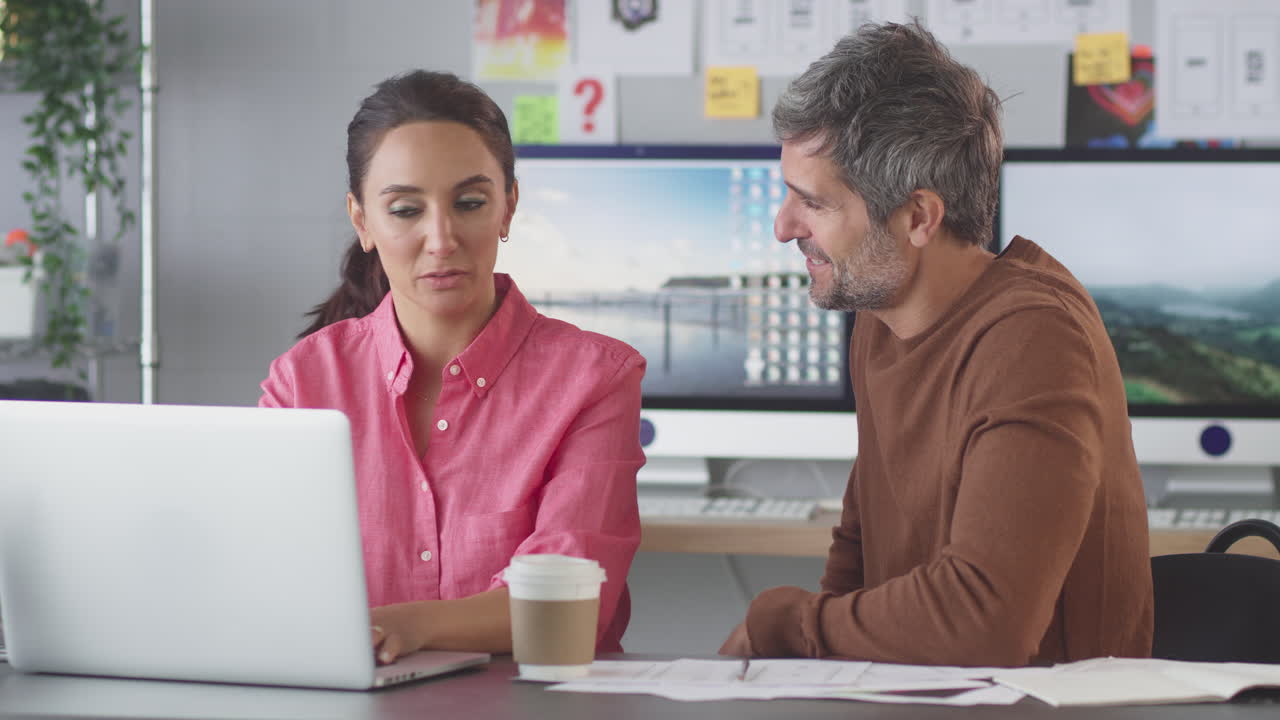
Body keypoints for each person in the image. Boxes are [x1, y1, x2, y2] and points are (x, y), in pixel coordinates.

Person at [719, 22, 1152, 666]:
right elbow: (859, 549)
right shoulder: (881, 315)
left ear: (918, 217)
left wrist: (784, 623)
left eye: (813, 202)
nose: (784, 226)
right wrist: (808, 666)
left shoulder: (1034, 337)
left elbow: (986, 623)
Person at [259, 70, 645, 663]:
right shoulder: (302, 382)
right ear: (363, 221)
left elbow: (564, 607)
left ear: (508, 208)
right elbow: (266, 587)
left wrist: (401, 626)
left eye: (469, 203)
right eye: (406, 210)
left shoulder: (596, 378)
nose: (440, 239)